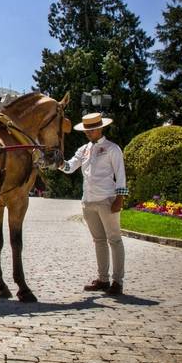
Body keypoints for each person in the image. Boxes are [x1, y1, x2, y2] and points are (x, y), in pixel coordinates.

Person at [60, 111, 128, 296]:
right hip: (88, 201)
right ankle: (103, 279)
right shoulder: (83, 150)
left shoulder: (112, 148)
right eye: (86, 130)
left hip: (107, 199)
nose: (88, 133)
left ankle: (118, 281)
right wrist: (58, 162)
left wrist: (119, 199)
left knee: (114, 239)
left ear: (101, 128)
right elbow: (70, 167)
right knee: (99, 241)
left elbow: (120, 175)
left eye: (92, 130)